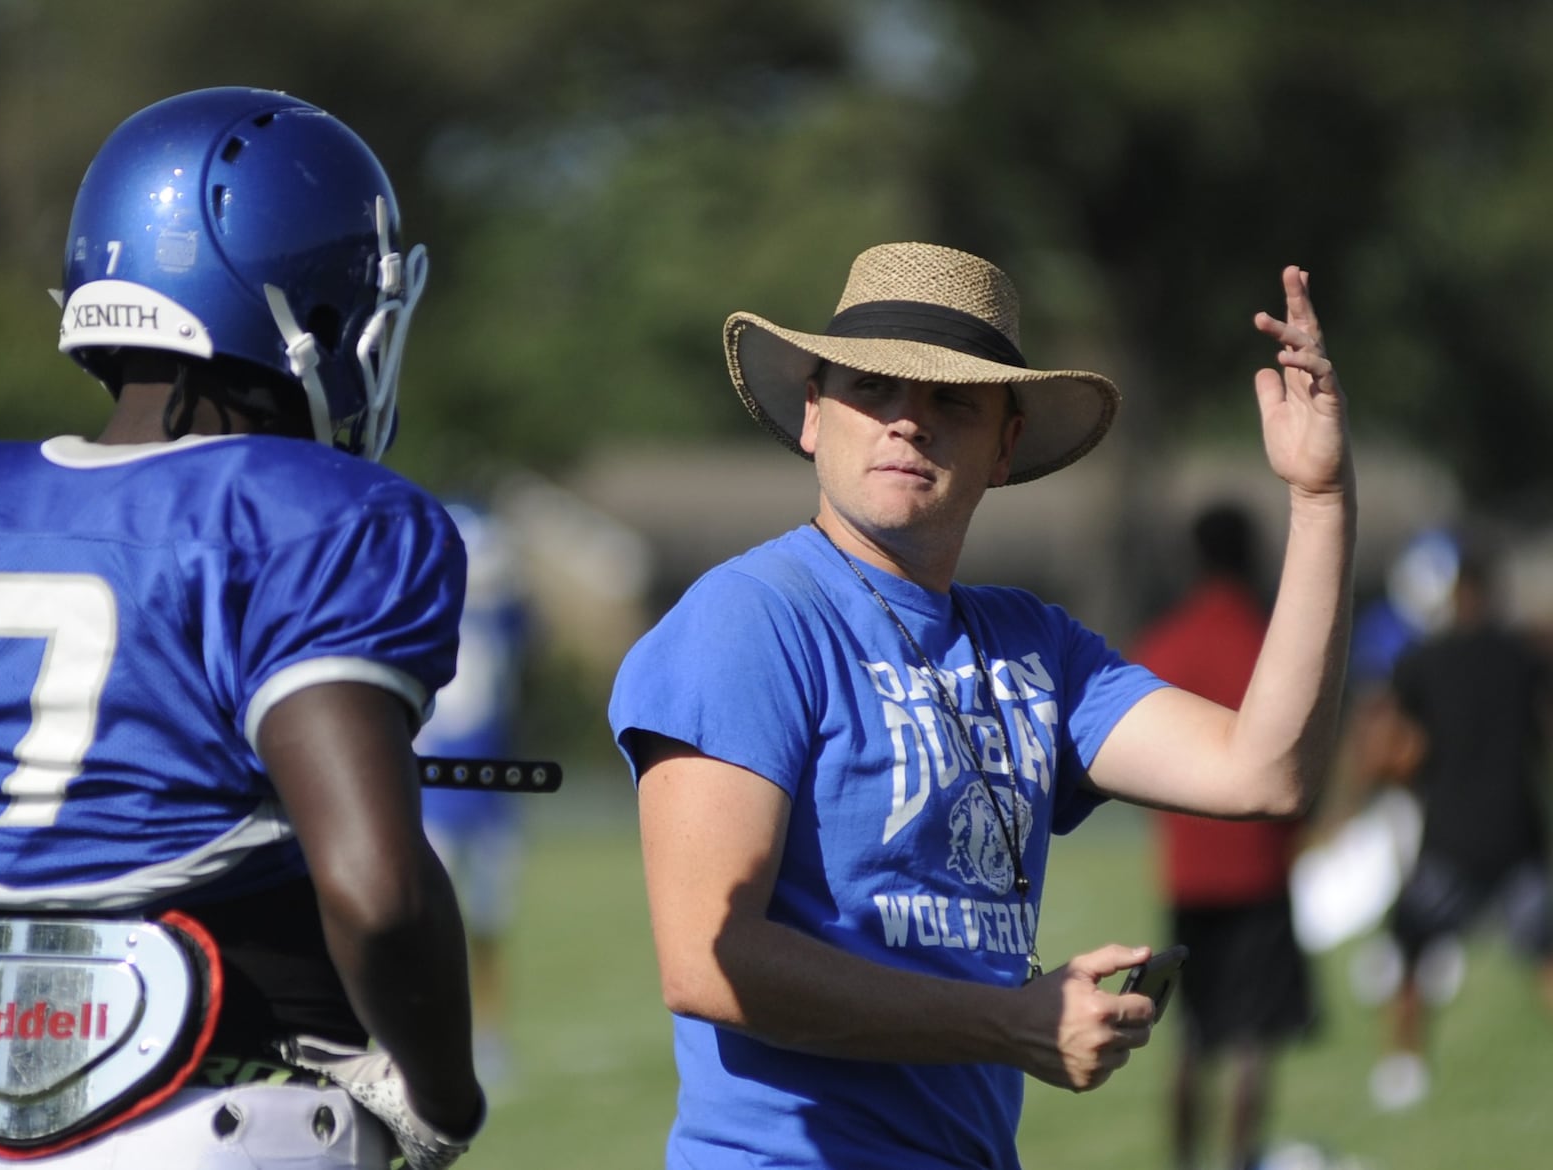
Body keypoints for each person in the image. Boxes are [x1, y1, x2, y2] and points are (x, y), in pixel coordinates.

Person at [607, 241, 1355, 1169]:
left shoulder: (1032, 643)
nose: (907, 423)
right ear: (812, 415)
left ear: (1004, 446)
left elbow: (1268, 769)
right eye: (871, 389)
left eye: (951, 400)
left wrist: (1319, 499)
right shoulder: (750, 617)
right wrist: (1007, 1022)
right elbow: (707, 960)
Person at [0, 88, 485, 1169]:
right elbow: (377, 894)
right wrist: (442, 1092)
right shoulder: (315, 514)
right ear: (316, 310)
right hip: (224, 1120)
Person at [1130, 501, 1315, 1170]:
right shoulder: (1270, 643)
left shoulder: (1165, 642)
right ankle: (1240, 1160)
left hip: (1188, 872)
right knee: (1250, 1041)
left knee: (1186, 1034)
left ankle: (1182, 1161)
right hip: (1260, 868)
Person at [1365, 533, 1553, 1112]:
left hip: (1448, 834)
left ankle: (1404, 1066)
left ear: (1452, 593)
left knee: (1412, 948)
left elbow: (1390, 747)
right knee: (1545, 952)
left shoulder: (1423, 660)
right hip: (1517, 829)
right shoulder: (1524, 657)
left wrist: (1391, 781)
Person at [412, 499, 532, 1090]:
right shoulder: (418, 615)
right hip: (434, 796)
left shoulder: (505, 616)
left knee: (487, 926)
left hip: (490, 798)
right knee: (423, 926)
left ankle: (489, 1038)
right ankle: (426, 1038)